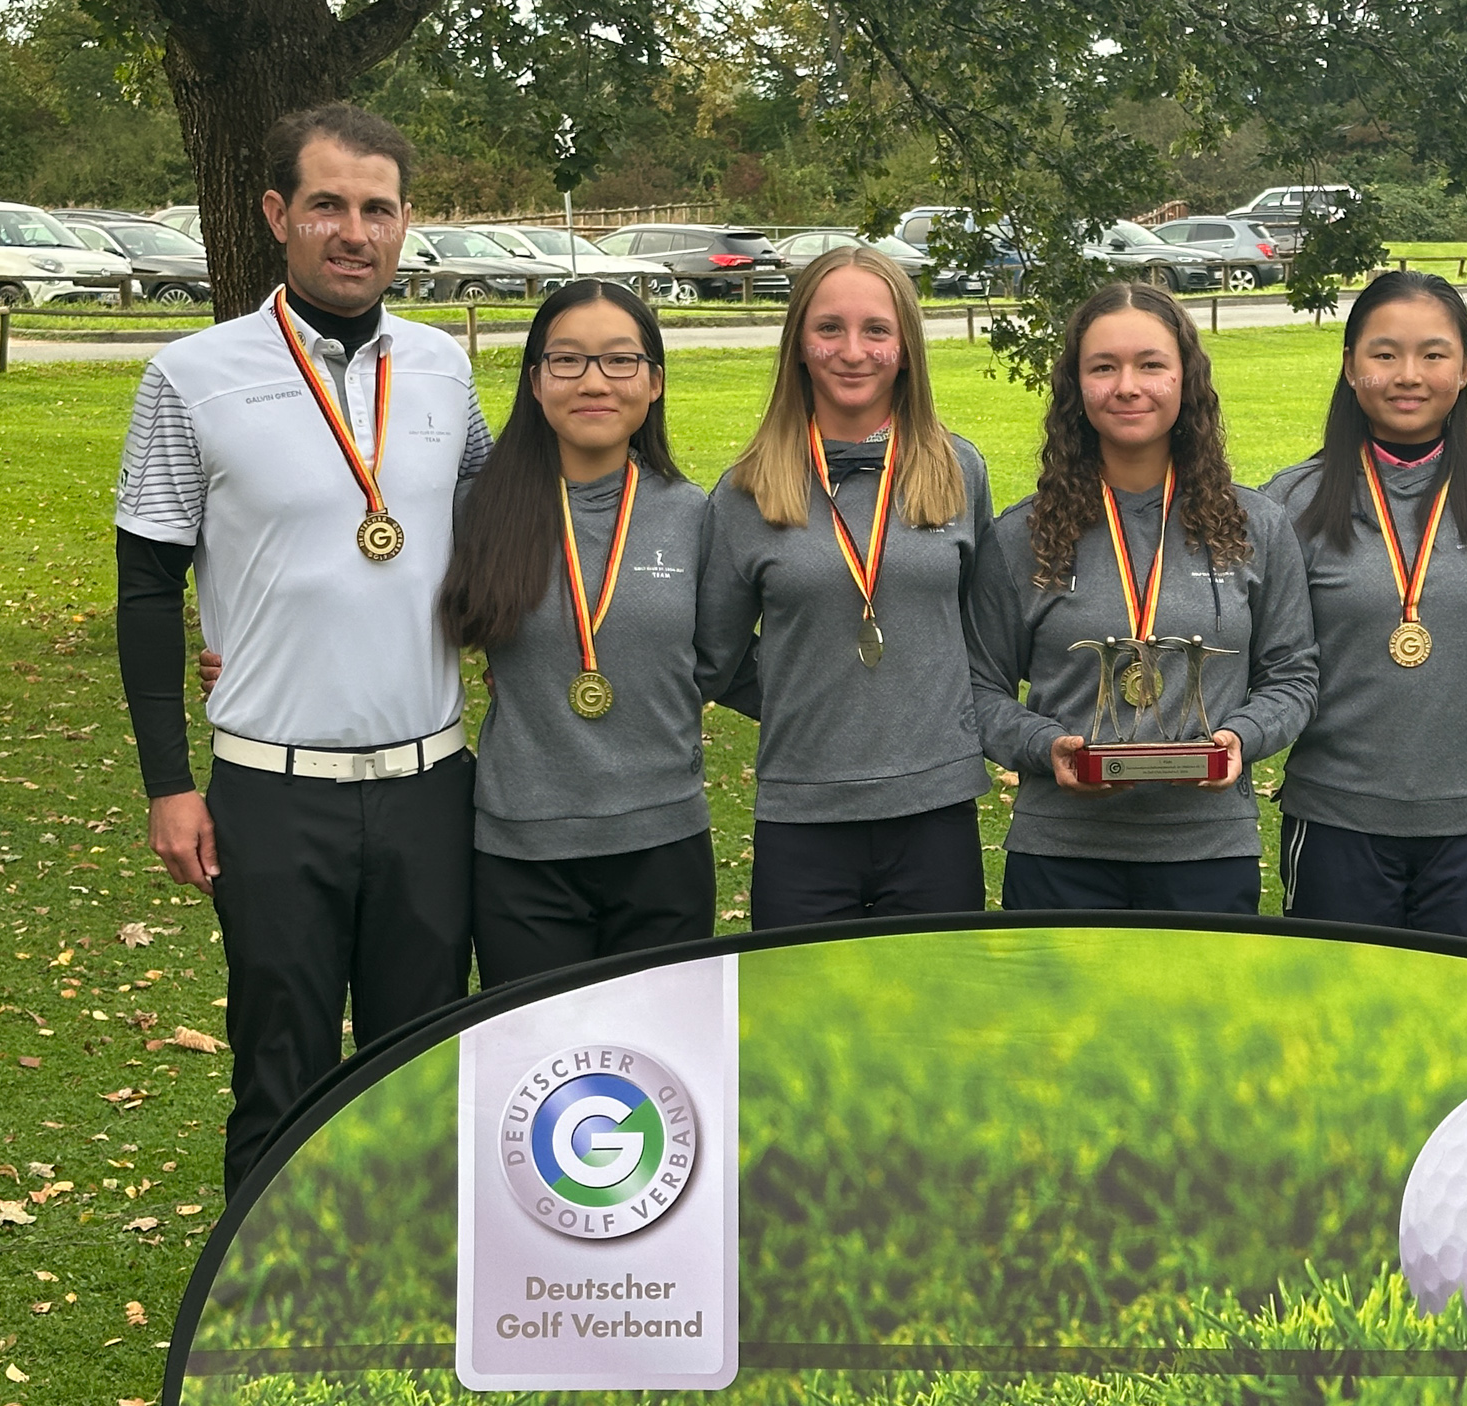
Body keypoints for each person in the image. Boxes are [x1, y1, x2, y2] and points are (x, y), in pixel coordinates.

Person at [113, 104, 489, 1190]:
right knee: (279, 1067)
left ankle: (412, 1296)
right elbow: (146, 588)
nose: (352, 231)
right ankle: (260, 1325)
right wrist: (168, 784)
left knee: (418, 1063)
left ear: (406, 223)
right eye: (327, 204)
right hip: (273, 791)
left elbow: (489, 533)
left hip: (429, 782)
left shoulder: (444, 370)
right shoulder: (191, 375)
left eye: (377, 208)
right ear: (278, 213)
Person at [967, 281, 1317, 913]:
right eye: (1104, 367)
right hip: (1060, 855)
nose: (1128, 386)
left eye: (1151, 364)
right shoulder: (1022, 536)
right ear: (1077, 387)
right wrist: (1044, 746)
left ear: (1187, 381)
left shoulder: (1254, 527)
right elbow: (976, 687)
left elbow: (1292, 674)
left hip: (1207, 850)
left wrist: (1241, 738)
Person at [438, 280, 734, 984]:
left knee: (660, 1084)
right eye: (567, 361)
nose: (594, 381)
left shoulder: (694, 514)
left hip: (663, 845)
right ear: (535, 382)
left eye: (620, 361)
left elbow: (719, 659)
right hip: (522, 857)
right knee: (543, 1084)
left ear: (655, 382)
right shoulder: (476, 509)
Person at [693, 245, 993, 929]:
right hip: (803, 814)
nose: (852, 351)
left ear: (907, 346)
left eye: (876, 330)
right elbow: (715, 656)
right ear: (799, 342)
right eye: (829, 328)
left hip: (934, 810)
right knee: (806, 1031)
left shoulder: (958, 472)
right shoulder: (746, 491)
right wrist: (804, 697)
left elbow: (977, 630)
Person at [1259, 272, 1467, 941]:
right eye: (1384, 354)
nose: (1408, 375)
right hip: (1337, 817)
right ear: (1350, 367)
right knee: (1340, 1027)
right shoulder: (1290, 504)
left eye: (1434, 354)